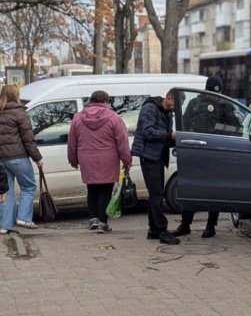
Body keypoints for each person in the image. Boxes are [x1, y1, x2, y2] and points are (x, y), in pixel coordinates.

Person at [67, 90, 132, 233]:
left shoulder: (78, 118)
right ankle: (103, 222)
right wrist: (126, 160)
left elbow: (72, 142)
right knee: (105, 191)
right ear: (106, 101)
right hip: (108, 159)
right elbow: (122, 142)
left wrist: (73, 159)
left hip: (86, 158)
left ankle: (93, 219)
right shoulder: (114, 118)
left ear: (91, 100)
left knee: (92, 189)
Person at [173, 74, 223, 238]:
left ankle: (211, 225)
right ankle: (185, 224)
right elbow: (185, 124)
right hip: (196, 152)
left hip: (215, 154)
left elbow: (235, 127)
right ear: (206, 90)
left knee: (214, 191)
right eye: (211, 92)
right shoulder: (194, 104)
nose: (213, 96)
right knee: (190, 189)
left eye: (216, 92)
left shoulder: (224, 105)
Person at [131, 89, 178, 245]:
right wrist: (169, 136)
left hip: (158, 157)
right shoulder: (150, 108)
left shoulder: (167, 112)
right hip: (149, 157)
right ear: (169, 98)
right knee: (157, 194)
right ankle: (162, 230)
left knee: (155, 194)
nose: (176, 109)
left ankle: (153, 229)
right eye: (176, 104)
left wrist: (178, 139)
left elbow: (165, 136)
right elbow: (147, 132)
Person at [0, 84, 43, 234]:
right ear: (16, 95)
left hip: (1, 160)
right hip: (18, 157)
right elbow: (28, 139)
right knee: (29, 186)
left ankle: (5, 226)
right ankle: (23, 217)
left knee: (7, 190)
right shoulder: (19, 113)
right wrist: (37, 158)